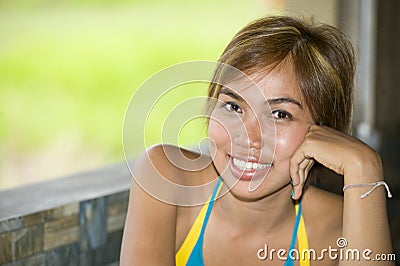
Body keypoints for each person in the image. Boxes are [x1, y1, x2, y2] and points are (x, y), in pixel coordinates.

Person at [120, 16, 393, 265]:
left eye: (279, 114)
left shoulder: (339, 228)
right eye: (233, 107)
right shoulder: (168, 182)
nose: (248, 137)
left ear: (324, 134)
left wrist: (365, 165)